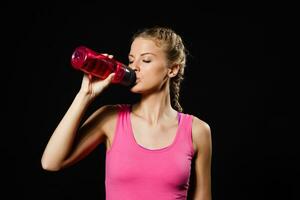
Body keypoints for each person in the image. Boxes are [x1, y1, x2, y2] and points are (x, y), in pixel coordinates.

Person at [41, 26, 212, 200]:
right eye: (131, 60)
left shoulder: (197, 130)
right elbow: (51, 163)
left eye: (145, 60)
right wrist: (85, 95)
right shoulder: (110, 118)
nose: (134, 67)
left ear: (172, 69)